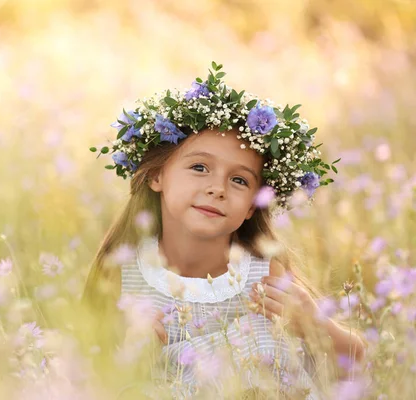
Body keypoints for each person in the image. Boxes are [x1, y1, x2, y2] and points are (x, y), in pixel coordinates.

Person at [82, 62, 366, 399]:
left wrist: (316, 325)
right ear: (157, 176)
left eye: (239, 180)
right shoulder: (125, 275)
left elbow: (355, 361)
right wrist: (128, 352)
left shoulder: (264, 274)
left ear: (251, 206)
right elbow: (86, 376)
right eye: (199, 167)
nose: (218, 188)